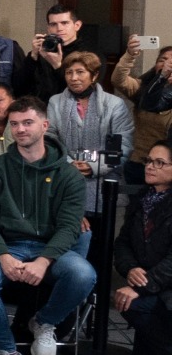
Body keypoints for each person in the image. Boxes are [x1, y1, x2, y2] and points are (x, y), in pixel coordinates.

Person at [0, 96, 93, 355]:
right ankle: (8, 354)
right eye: (15, 124)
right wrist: (2, 255)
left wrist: (44, 260)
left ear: (44, 125)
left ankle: (44, 321)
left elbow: (69, 227)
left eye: (28, 122)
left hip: (51, 250)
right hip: (6, 246)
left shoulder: (69, 176)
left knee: (83, 273)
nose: (21, 129)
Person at [46, 51, 135, 226]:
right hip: (66, 179)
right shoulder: (55, 102)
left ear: (94, 75)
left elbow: (123, 144)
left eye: (80, 72)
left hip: (106, 184)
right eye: (69, 72)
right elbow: (49, 139)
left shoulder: (114, 104)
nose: (73, 77)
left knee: (104, 245)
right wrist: (69, 163)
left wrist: (93, 166)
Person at [114, 142, 172, 355]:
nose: (150, 167)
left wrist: (141, 285)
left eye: (160, 163)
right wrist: (131, 269)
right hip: (152, 279)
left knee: (132, 302)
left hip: (167, 284)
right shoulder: (142, 199)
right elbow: (122, 243)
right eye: (149, 160)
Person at [113, 36, 172, 184]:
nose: (167, 66)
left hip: (167, 168)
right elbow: (118, 79)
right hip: (140, 163)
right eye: (162, 60)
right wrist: (130, 54)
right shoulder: (142, 89)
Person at [17, 4, 86, 101]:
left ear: (77, 25)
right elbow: (19, 87)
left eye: (64, 23)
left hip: (71, 108)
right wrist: (33, 57)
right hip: (40, 108)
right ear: (48, 28)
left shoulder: (88, 54)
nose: (59, 28)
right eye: (53, 24)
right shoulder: (43, 50)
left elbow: (83, 90)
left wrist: (57, 66)